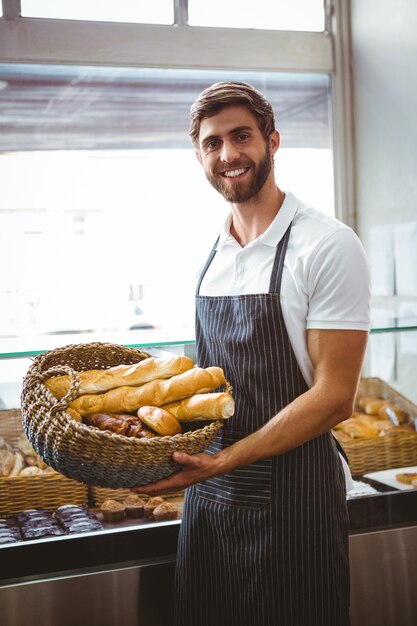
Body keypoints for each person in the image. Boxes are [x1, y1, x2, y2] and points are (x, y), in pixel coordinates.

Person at [135, 81, 371, 626]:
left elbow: (336, 398)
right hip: (209, 501)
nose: (228, 154)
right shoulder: (212, 255)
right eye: (212, 143)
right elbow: (205, 388)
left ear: (272, 141)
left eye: (242, 136)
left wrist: (224, 460)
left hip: (296, 503)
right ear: (200, 157)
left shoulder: (327, 245)